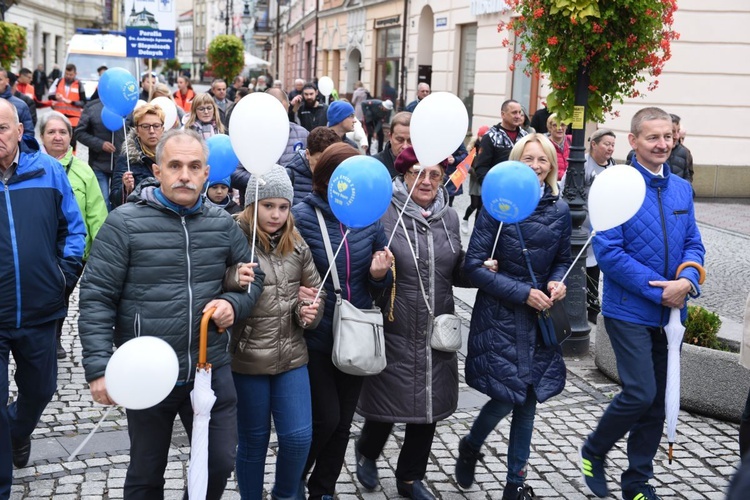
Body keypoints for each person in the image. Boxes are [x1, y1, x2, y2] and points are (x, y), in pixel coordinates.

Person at [79, 128, 264, 500]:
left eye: (194, 166)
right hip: (147, 371)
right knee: (146, 473)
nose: (184, 175)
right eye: (175, 165)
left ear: (206, 172)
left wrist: (233, 304)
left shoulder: (222, 224)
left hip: (209, 368)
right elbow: (97, 296)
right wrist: (99, 368)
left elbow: (252, 279)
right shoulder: (125, 223)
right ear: (158, 170)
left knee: (218, 463)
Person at [580, 107, 705, 500]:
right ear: (633, 141)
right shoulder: (615, 186)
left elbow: (694, 243)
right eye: (653, 137)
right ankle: (594, 450)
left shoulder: (682, 188)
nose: (663, 144)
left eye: (668, 136)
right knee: (639, 393)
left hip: (671, 316)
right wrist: (659, 290)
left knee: (656, 403)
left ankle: (637, 482)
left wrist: (687, 279)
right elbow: (610, 254)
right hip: (627, 312)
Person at [455, 133, 572, 500]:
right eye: (528, 159)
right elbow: (474, 267)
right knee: (510, 396)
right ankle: (472, 444)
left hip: (540, 320)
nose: (536, 166)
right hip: (503, 315)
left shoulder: (560, 209)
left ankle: (514, 484)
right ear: (515, 162)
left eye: (543, 160)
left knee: (529, 397)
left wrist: (557, 282)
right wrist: (524, 293)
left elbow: (563, 259)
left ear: (552, 167)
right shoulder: (497, 207)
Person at [356, 146, 470, 499]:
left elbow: (453, 268)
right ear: (403, 175)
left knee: (429, 406)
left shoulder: (448, 217)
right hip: (396, 324)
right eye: (418, 173)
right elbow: (364, 273)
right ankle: (368, 451)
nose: (427, 180)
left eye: (435, 174)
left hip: (437, 326)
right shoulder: (383, 213)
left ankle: (409, 478)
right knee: (388, 404)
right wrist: (375, 274)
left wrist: (480, 268)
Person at [292, 143, 393, 499]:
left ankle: (322, 489)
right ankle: (293, 479)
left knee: (343, 424)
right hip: (316, 334)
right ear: (326, 179)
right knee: (326, 419)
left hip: (356, 333)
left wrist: (381, 274)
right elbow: (287, 275)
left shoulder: (369, 218)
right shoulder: (302, 215)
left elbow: (381, 283)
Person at [0, 98, 85, 497]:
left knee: (40, 389)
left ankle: (18, 431)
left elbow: (74, 230)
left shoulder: (47, 171)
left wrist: (62, 278)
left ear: (20, 131)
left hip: (40, 310)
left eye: (3, 128)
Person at [230, 165, 324, 499]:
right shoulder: (231, 237)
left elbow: (314, 290)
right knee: (253, 441)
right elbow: (212, 285)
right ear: (252, 204)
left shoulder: (296, 244)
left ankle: (285, 494)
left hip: (291, 354)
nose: (276, 214)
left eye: (283, 207)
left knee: (299, 438)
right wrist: (232, 279)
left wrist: (309, 311)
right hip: (247, 358)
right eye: (268, 206)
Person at [40, 111, 108, 358]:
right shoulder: (31, 168)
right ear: (41, 137)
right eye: (51, 132)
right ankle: (41, 337)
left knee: (61, 294)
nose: (57, 137)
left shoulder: (84, 171)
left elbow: (96, 213)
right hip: (39, 249)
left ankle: (54, 336)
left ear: (71, 137)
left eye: (63, 132)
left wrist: (97, 254)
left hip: (73, 252)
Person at [580, 129, 616, 323]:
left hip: (603, 228)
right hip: (582, 226)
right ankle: (579, 304)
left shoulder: (613, 168)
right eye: (606, 144)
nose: (610, 148)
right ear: (594, 144)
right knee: (582, 266)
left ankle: (593, 308)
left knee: (597, 268)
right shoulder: (583, 165)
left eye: (612, 145)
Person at [75, 96, 127, 211]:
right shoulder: (92, 107)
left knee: (120, 202)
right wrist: (100, 144)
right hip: (99, 164)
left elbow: (135, 131)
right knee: (102, 202)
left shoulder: (126, 106)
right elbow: (79, 133)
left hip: (121, 164)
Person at [109, 103, 165, 208]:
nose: (152, 131)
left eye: (156, 126)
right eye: (146, 126)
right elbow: (114, 199)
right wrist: (126, 189)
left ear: (162, 129)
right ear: (137, 130)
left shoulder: (172, 156)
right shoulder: (127, 159)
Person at [473, 99, 528, 186]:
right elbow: (481, 168)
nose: (518, 116)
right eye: (514, 113)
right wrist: (490, 187)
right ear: (503, 114)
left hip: (520, 187)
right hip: (499, 188)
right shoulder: (491, 136)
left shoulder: (525, 136)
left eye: (519, 112)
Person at [285, 126, 341, 205]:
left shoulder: (339, 177)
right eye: (319, 160)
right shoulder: (289, 176)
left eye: (329, 161)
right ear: (307, 154)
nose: (325, 166)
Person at [48, 64, 86, 150]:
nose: (68, 76)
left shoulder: (79, 84)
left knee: (72, 140)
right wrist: (55, 97)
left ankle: (71, 159)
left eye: (70, 75)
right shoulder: (58, 81)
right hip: (58, 116)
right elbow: (50, 95)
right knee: (57, 139)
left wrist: (72, 102)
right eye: (66, 74)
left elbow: (84, 102)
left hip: (73, 118)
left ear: (75, 74)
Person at [461, 125, 490, 234]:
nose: (483, 138)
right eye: (482, 136)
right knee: (474, 204)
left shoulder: (488, 149)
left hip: (484, 180)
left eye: (485, 136)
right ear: (478, 136)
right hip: (474, 180)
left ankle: (476, 228)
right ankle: (465, 218)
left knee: (481, 206)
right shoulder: (473, 149)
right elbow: (467, 167)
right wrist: (476, 172)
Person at [373, 111, 411, 177]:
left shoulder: (428, 167)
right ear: (390, 137)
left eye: (410, 141)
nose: (405, 146)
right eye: (400, 140)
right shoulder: (373, 165)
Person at [0, 69, 34, 137]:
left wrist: (16, 145)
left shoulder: (21, 105)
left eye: (0, 79)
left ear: (7, 81)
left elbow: (28, 134)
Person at [668, 114, 694, 185]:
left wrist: (687, 191)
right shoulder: (656, 152)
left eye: (678, 131)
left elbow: (688, 176)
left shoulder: (684, 152)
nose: (676, 136)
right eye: (673, 131)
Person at [546, 113, 571, 180]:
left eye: (562, 125)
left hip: (571, 183)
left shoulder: (571, 140)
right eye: (555, 125)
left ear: (566, 127)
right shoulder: (545, 144)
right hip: (553, 183)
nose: (559, 128)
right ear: (550, 127)